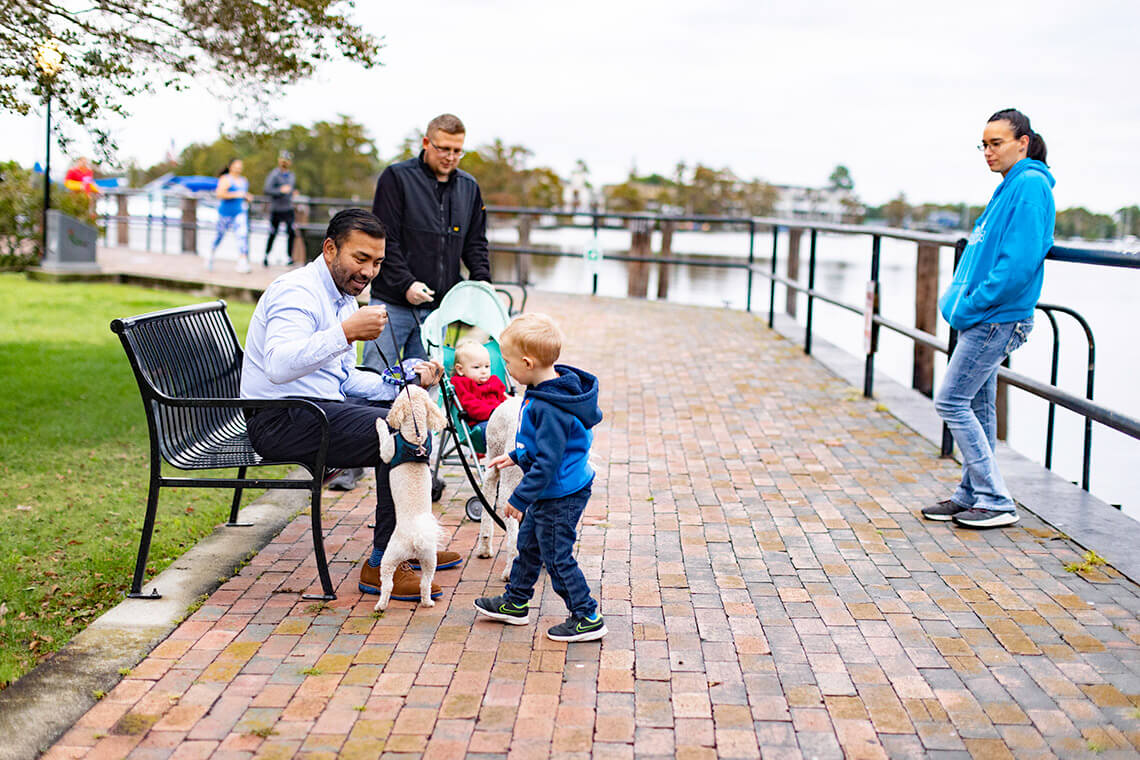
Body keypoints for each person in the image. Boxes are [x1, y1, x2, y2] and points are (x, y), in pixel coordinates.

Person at [240, 208, 462, 601]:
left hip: (315, 409)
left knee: (407, 413)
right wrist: (345, 332)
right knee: (401, 431)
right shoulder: (298, 293)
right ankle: (384, 563)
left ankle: (410, 541)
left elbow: (344, 378)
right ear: (330, 249)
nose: (369, 272)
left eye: (377, 262)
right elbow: (277, 366)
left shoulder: (341, 295)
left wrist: (405, 380)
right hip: (280, 419)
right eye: (360, 259)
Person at [923, 108, 1055, 529]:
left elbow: (1017, 264)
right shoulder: (1008, 187)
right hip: (982, 314)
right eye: (983, 144)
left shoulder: (1031, 186)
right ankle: (971, 494)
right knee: (977, 406)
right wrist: (962, 302)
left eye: (996, 143)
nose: (988, 152)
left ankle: (997, 499)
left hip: (997, 316)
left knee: (950, 400)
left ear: (1024, 142)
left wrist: (974, 303)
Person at [474, 313, 606, 642]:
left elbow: (549, 461)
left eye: (507, 361)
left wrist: (519, 499)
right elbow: (544, 445)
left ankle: (586, 614)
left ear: (527, 362)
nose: (505, 368)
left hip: (560, 492)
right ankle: (516, 602)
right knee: (529, 545)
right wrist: (517, 455)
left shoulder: (550, 406)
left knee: (556, 556)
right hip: (555, 486)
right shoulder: (545, 387)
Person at [362, 113, 491, 372]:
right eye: (443, 148)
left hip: (437, 311)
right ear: (426, 143)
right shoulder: (396, 178)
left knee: (423, 385)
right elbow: (385, 240)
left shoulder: (470, 188)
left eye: (457, 151)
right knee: (373, 377)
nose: (450, 156)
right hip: (391, 303)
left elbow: (475, 243)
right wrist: (406, 284)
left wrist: (483, 282)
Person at [450, 339, 508, 438]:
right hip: (480, 423)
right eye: (477, 367)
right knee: (495, 431)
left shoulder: (494, 381)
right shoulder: (461, 383)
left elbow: (503, 398)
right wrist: (493, 413)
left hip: (501, 418)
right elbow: (471, 406)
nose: (484, 371)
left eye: (487, 366)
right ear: (460, 369)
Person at [211, 158, 253, 273]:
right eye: (236, 165)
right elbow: (220, 194)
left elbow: (242, 194)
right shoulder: (225, 179)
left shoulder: (244, 181)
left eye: (240, 165)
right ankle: (211, 254)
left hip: (239, 213)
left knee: (242, 236)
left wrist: (246, 196)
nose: (239, 168)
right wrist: (237, 194)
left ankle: (242, 262)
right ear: (230, 166)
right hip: (225, 213)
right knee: (219, 235)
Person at [263, 151, 298, 267]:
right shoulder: (274, 174)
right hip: (276, 209)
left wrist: (293, 192)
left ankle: (289, 257)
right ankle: (266, 255)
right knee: (273, 233)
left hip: (288, 208)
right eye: (283, 159)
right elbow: (267, 190)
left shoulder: (291, 175)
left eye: (287, 160)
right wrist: (280, 191)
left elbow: (291, 189)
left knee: (291, 232)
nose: (285, 162)